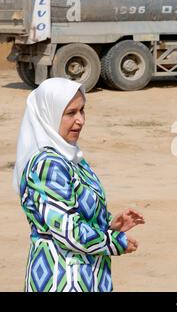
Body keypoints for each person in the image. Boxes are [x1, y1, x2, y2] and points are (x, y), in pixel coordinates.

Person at [13, 78, 145, 292]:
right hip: (61, 279)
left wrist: (109, 226)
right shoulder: (48, 165)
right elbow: (69, 231)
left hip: (87, 276)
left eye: (82, 111)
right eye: (70, 113)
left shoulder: (72, 158)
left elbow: (74, 217)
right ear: (50, 115)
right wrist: (115, 242)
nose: (80, 120)